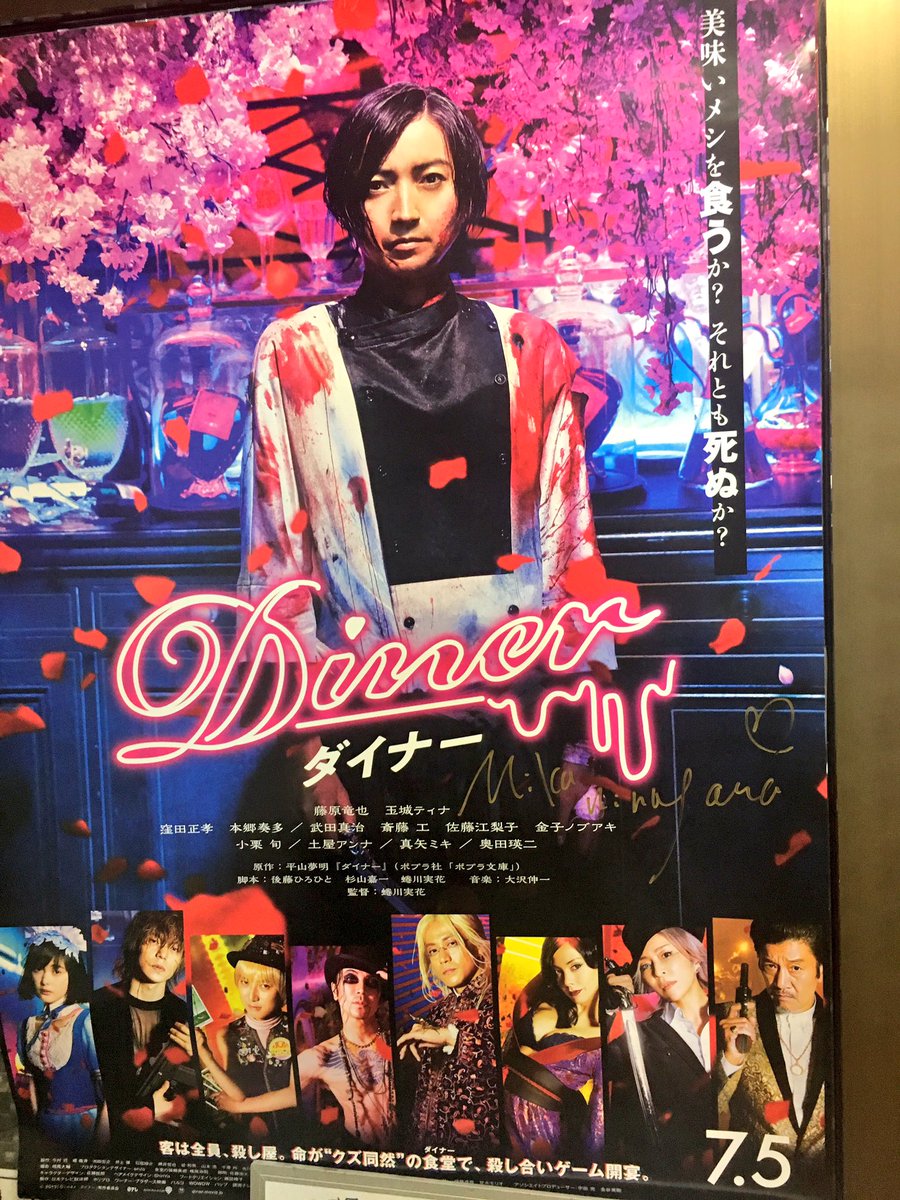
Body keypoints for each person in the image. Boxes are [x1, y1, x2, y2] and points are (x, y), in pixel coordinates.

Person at [239, 84, 616, 891]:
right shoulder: (294, 353)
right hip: (363, 735)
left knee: (517, 950)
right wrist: (309, 757)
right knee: (385, 956)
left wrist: (583, 751)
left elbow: (573, 555)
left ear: (466, 196)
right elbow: (276, 568)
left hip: (520, 729)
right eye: (378, 183)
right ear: (350, 202)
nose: (403, 210)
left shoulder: (533, 349)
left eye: (429, 178)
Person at [214, 947, 395, 1149]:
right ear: (335, 990)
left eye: (371, 983)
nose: (361, 990)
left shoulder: (402, 1045)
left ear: (380, 994)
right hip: (353, 1149)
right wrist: (241, 1107)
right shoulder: (319, 1056)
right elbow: (291, 1095)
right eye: (351, 979)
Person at [716, 920, 829, 1189]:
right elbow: (702, 1110)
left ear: (820, 970)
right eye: (770, 966)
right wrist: (730, 1060)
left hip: (827, 1184)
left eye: (795, 968)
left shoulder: (844, 1024)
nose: (780, 983)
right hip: (754, 1183)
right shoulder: (730, 1018)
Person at [603, 922, 715, 1179]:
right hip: (678, 1176)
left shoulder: (734, 1015)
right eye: (645, 966)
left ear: (694, 958)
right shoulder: (638, 1037)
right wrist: (606, 1009)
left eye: (666, 954)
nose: (658, 972)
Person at [172, 935, 294, 1143]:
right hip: (256, 1141)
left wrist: (241, 1107)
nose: (252, 996)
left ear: (282, 988)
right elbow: (236, 1096)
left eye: (265, 986)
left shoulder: (296, 1028)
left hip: (298, 1135)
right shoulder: (228, 1034)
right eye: (245, 982)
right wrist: (204, 1053)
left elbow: (296, 1094)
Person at [91, 911, 193, 1155]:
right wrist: (149, 1109)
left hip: (165, 1149)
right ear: (136, 943)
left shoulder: (185, 1015)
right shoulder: (98, 1005)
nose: (162, 954)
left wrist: (201, 1057)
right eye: (154, 941)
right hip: (109, 1146)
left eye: (174, 948)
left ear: (181, 959)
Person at [396, 914, 500, 1153]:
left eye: (451, 943)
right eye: (433, 951)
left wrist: (452, 1038)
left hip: (476, 1155)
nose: (443, 958)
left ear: (474, 942)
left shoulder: (497, 998)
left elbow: (501, 1064)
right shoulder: (437, 1011)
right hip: (426, 1152)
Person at [503, 936, 604, 1163]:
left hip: (539, 1132)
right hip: (496, 1112)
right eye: (558, 971)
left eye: (575, 967)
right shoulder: (548, 999)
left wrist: (591, 1169)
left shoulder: (609, 1033)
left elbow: (599, 1119)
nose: (567, 981)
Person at [16, 926, 102, 1151]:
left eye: (56, 970)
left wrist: (102, 1147)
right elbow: (30, 1086)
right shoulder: (26, 1025)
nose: (45, 980)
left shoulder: (85, 1020)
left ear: (72, 974)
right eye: (38, 969)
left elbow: (108, 1096)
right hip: (43, 1131)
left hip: (85, 1127)